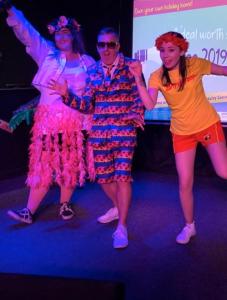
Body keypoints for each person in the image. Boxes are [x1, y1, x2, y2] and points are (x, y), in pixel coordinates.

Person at [48, 27, 144, 248]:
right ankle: (118, 207)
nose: (106, 49)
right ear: (97, 46)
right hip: (99, 133)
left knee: (122, 177)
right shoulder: (92, 71)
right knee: (103, 178)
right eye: (102, 44)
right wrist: (66, 95)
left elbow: (140, 95)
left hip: (124, 133)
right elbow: (87, 106)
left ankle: (122, 227)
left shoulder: (131, 67)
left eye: (111, 44)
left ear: (118, 46)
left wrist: (135, 114)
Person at [129, 31, 227, 244]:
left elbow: (224, 71)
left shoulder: (195, 64)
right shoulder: (157, 76)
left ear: (182, 50)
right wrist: (138, 78)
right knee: (184, 183)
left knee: (223, 171)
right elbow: (149, 104)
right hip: (182, 132)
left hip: (207, 124)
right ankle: (189, 226)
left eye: (171, 50)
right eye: (162, 50)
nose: (166, 55)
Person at [3, 2, 96, 224]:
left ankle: (64, 204)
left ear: (73, 35)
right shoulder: (48, 55)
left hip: (75, 123)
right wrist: (11, 11)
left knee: (69, 164)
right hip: (48, 123)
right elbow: (29, 35)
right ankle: (29, 210)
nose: (62, 37)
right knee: (43, 165)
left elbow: (94, 95)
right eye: (58, 33)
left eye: (66, 33)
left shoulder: (88, 62)